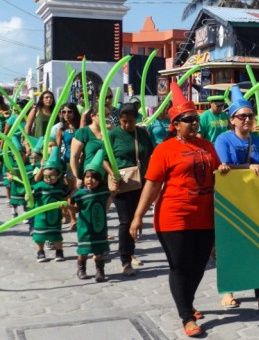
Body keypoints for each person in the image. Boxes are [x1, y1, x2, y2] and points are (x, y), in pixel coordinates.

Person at [130, 83, 222, 338]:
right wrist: (138, 216)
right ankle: (186, 316)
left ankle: (187, 301)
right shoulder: (164, 149)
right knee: (180, 267)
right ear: (175, 124)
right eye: (188, 120)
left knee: (199, 265)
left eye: (195, 119)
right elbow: (152, 184)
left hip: (204, 216)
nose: (194, 123)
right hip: (174, 217)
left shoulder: (207, 146)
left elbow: (218, 174)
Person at [214, 86, 259, 313]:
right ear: (232, 119)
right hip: (231, 203)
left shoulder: (258, 140)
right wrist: (247, 166)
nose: (246, 119)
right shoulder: (223, 140)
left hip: (257, 202)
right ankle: (228, 291)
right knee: (231, 248)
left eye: (250, 115)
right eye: (241, 116)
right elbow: (224, 167)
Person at [104, 102, 154, 277]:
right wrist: (112, 174)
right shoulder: (113, 135)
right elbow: (103, 157)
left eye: (130, 121)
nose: (127, 125)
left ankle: (131, 252)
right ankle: (125, 260)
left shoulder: (141, 133)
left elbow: (150, 153)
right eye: (124, 121)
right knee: (126, 221)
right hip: (123, 183)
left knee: (136, 218)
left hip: (141, 182)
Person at [70, 150, 110, 282]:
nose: (90, 180)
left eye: (93, 177)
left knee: (99, 252)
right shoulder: (80, 194)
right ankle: (81, 268)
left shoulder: (104, 192)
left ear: (99, 180)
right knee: (83, 251)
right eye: (87, 177)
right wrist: (70, 213)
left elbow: (115, 191)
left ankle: (100, 271)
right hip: (85, 227)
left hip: (99, 227)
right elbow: (76, 208)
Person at [31, 151, 70, 263]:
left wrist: (65, 204)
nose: (48, 179)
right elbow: (31, 196)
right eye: (46, 176)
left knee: (56, 235)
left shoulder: (61, 187)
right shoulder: (39, 186)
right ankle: (40, 252)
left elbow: (67, 196)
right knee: (39, 235)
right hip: (41, 216)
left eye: (52, 176)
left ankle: (59, 251)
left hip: (55, 216)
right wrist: (27, 197)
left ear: (58, 175)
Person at [56, 103, 81, 230]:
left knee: (78, 189)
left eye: (69, 111)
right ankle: (72, 219)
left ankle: (71, 214)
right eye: (64, 112)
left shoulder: (81, 127)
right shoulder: (61, 129)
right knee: (70, 191)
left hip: (81, 162)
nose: (66, 114)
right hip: (67, 162)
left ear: (74, 112)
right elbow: (57, 148)